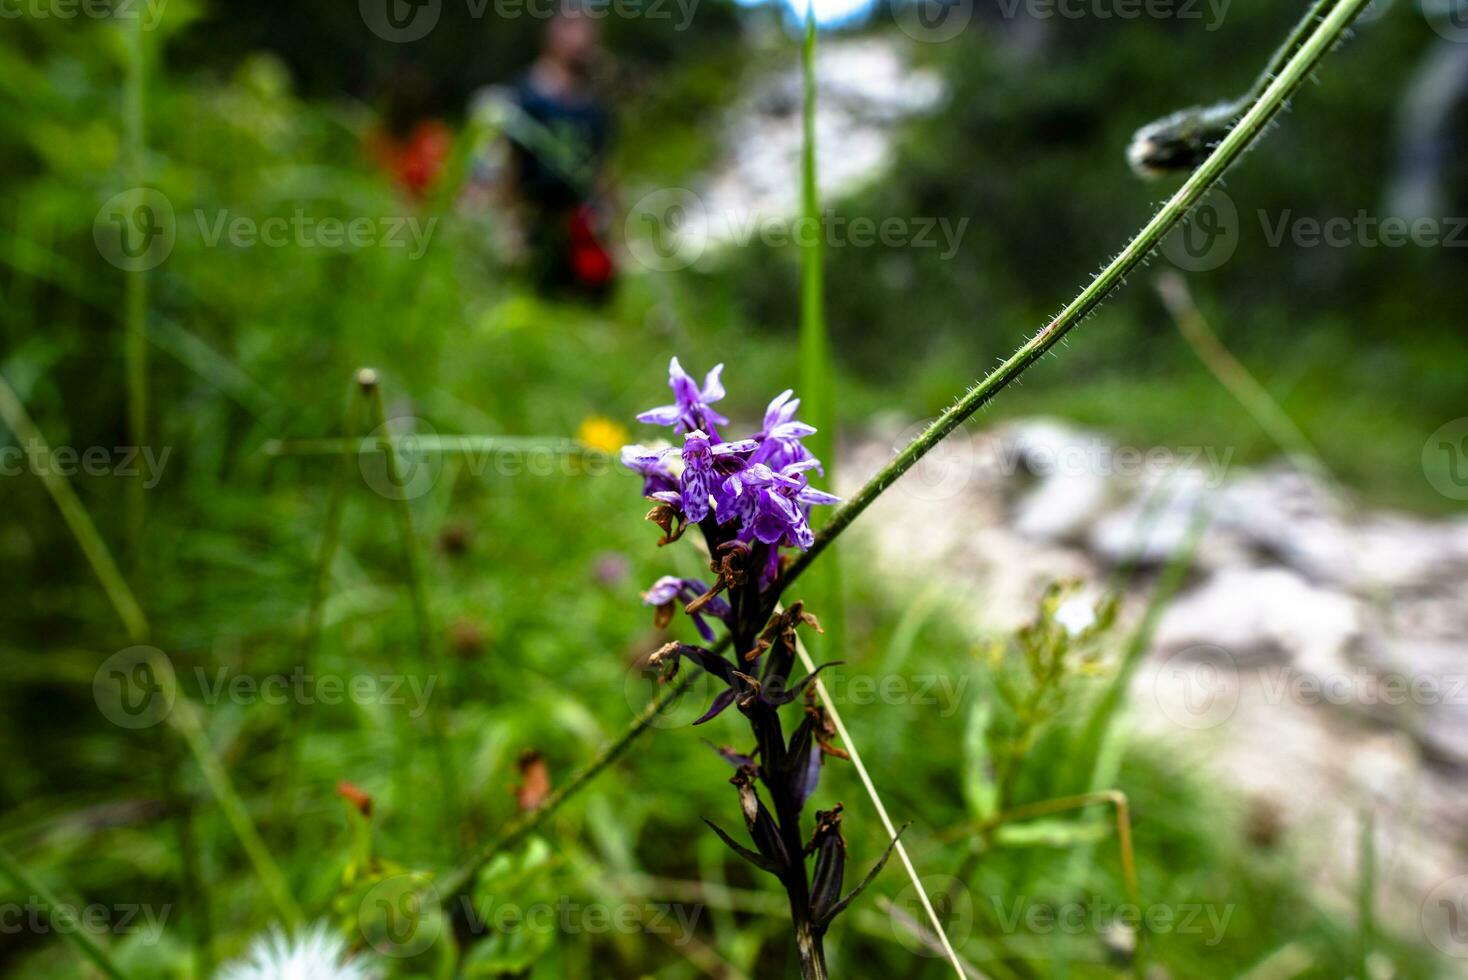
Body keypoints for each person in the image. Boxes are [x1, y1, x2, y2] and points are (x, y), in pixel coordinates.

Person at [490, 8, 618, 298]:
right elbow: (506, 161)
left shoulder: (595, 109)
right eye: (571, 27)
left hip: (578, 227)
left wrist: (616, 236)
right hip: (531, 222)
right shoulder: (524, 94)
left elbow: (604, 170)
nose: (581, 38)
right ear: (551, 32)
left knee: (595, 289)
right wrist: (507, 226)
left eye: (588, 29)